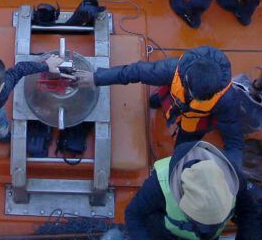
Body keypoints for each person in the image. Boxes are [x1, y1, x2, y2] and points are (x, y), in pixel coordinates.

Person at [71, 46, 244, 163]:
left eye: (203, 99)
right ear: (186, 79)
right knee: (159, 99)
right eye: (194, 95)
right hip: (175, 99)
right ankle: (160, 102)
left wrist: (231, 170)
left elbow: (234, 140)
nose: (198, 99)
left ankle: (177, 160)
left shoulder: (227, 100)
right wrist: (96, 78)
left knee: (182, 151)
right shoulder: (170, 69)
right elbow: (134, 72)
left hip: (194, 125)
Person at [124, 141, 262, 240]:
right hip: (164, 239)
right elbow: (133, 213)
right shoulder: (159, 183)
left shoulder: (235, 181)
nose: (205, 228)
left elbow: (248, 214)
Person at [0, 53, 63, 143]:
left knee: (1, 130)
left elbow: (20, 69)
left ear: (0, 88)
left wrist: (46, 66)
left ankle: (1, 136)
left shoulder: (4, 89)